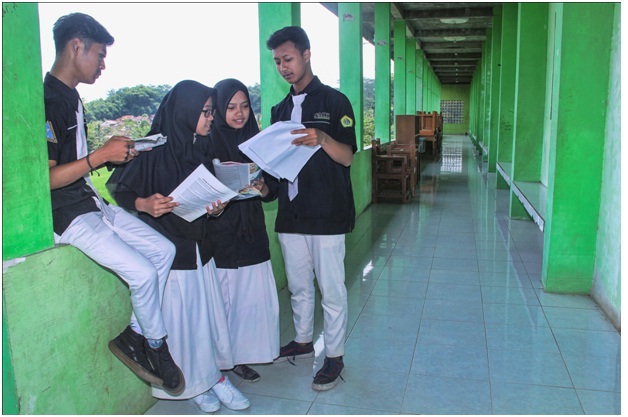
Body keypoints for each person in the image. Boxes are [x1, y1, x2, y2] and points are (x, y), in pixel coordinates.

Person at [44, 12, 183, 395]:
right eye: (100, 55)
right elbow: (46, 178)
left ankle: (134, 338)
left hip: (91, 202)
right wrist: (101, 155)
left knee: (163, 250)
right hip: (68, 215)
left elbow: (82, 165)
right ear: (77, 46)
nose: (104, 64)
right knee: (141, 273)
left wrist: (113, 152)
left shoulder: (70, 96)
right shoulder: (48, 99)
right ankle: (156, 347)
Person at [108, 80, 250, 413]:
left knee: (206, 321)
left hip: (201, 247)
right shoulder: (152, 150)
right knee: (184, 326)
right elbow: (122, 190)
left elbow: (206, 193)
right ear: (185, 112)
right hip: (171, 251)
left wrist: (218, 205)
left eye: (211, 112)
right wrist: (144, 204)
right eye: (205, 112)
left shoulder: (200, 147)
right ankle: (197, 386)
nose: (210, 118)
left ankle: (211, 377)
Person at [264, 26, 357, 391]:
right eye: (276, 62)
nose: (283, 67)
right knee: (299, 286)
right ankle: (303, 342)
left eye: (288, 59)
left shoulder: (336, 103)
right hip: (291, 214)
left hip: (327, 213)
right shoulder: (279, 110)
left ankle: (334, 356)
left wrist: (323, 138)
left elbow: (347, 157)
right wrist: (263, 186)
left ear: (306, 55)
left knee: (331, 290)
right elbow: (276, 165)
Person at [207, 78, 280, 383]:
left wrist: (264, 188)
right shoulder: (208, 141)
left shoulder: (257, 140)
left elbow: (275, 185)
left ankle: (242, 356)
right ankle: (221, 361)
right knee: (226, 298)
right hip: (221, 232)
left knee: (251, 300)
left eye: (245, 106)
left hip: (251, 230)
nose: (239, 113)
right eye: (231, 107)